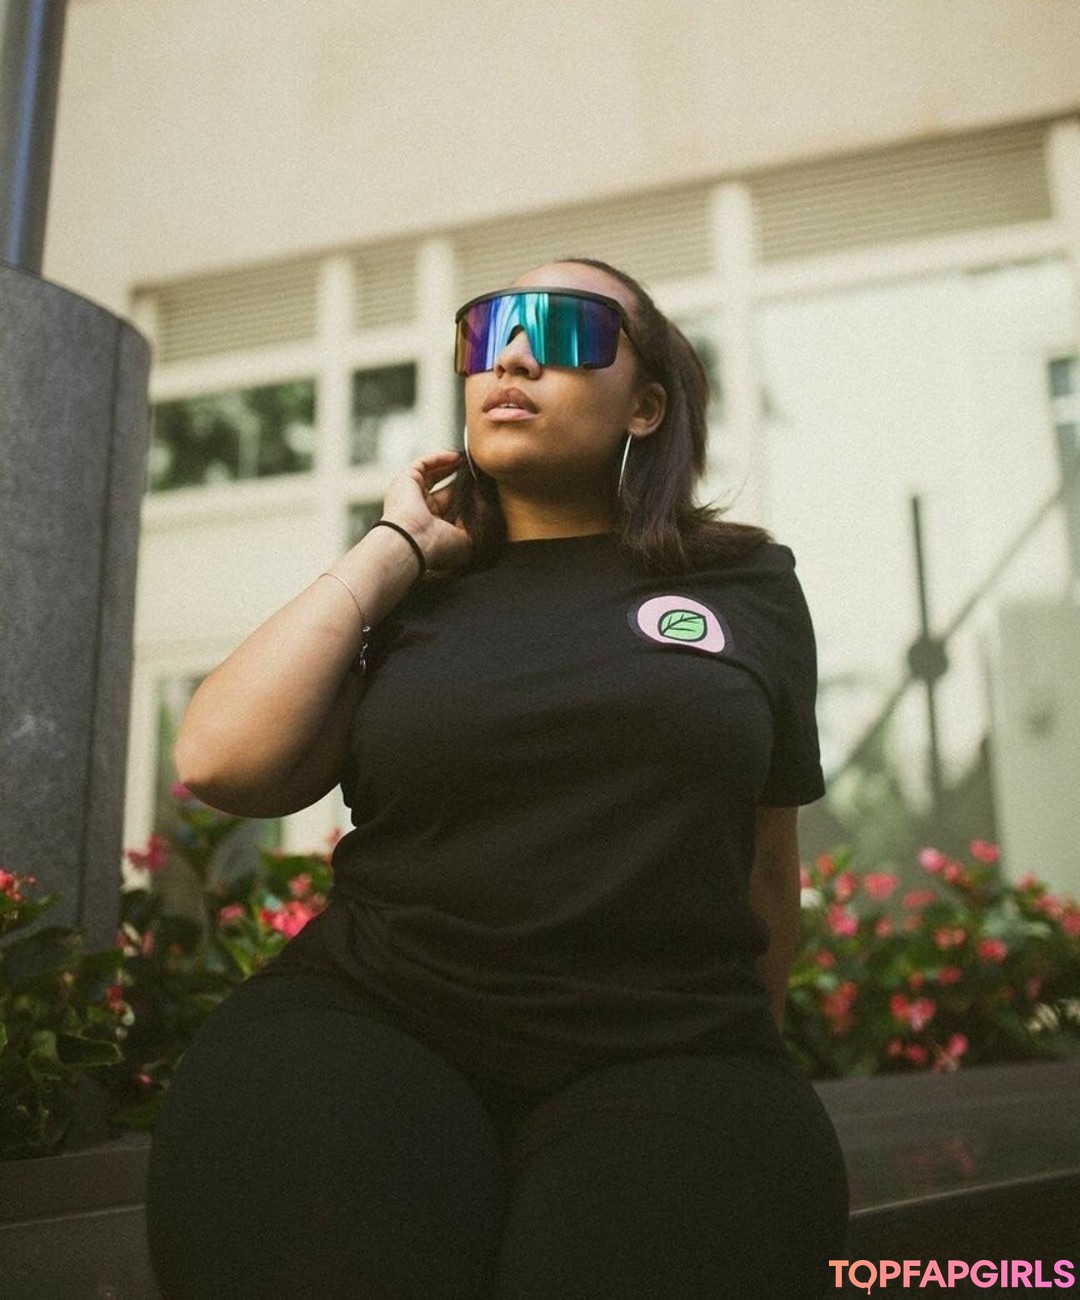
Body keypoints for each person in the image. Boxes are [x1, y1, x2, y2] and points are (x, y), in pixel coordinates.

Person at [145, 257, 849, 1299]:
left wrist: (740, 1074)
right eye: (488, 333)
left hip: (664, 1051)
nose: (512, 356)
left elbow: (767, 864)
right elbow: (219, 759)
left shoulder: (746, 586)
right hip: (373, 1019)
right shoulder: (415, 589)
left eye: (564, 331)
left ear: (646, 405)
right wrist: (392, 547)